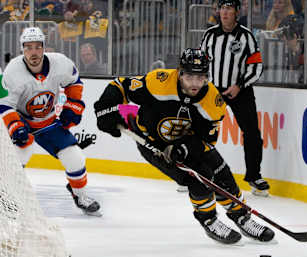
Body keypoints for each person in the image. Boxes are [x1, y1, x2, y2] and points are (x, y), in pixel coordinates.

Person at [93, 48, 274, 244]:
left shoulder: (213, 102)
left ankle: (241, 216)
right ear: (180, 73)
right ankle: (209, 220)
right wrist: (105, 108)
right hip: (154, 144)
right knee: (198, 178)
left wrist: (184, 149)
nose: (195, 83)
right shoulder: (158, 82)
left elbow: (206, 141)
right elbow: (120, 85)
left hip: (190, 143)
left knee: (221, 171)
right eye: (189, 77)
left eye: (201, 77)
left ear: (207, 76)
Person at [0, 27, 101, 216]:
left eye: (37, 47)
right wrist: (15, 126)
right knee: (21, 154)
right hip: (23, 121)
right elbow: (4, 105)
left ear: (44, 47)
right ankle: (6, 196)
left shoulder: (59, 63)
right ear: (22, 49)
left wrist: (73, 105)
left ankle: (80, 195)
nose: (33, 52)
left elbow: (74, 81)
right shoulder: (13, 70)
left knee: (75, 158)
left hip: (48, 121)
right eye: (28, 47)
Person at [200, 0, 270, 196]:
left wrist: (239, 85)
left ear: (237, 12)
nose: (224, 12)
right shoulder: (210, 35)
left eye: (229, 8)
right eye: (222, 8)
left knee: (252, 133)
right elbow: (202, 62)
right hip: (213, 91)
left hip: (241, 91)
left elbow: (256, 67)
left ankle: (254, 176)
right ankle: (200, 173)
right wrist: (205, 86)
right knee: (202, 131)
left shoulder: (247, 36)